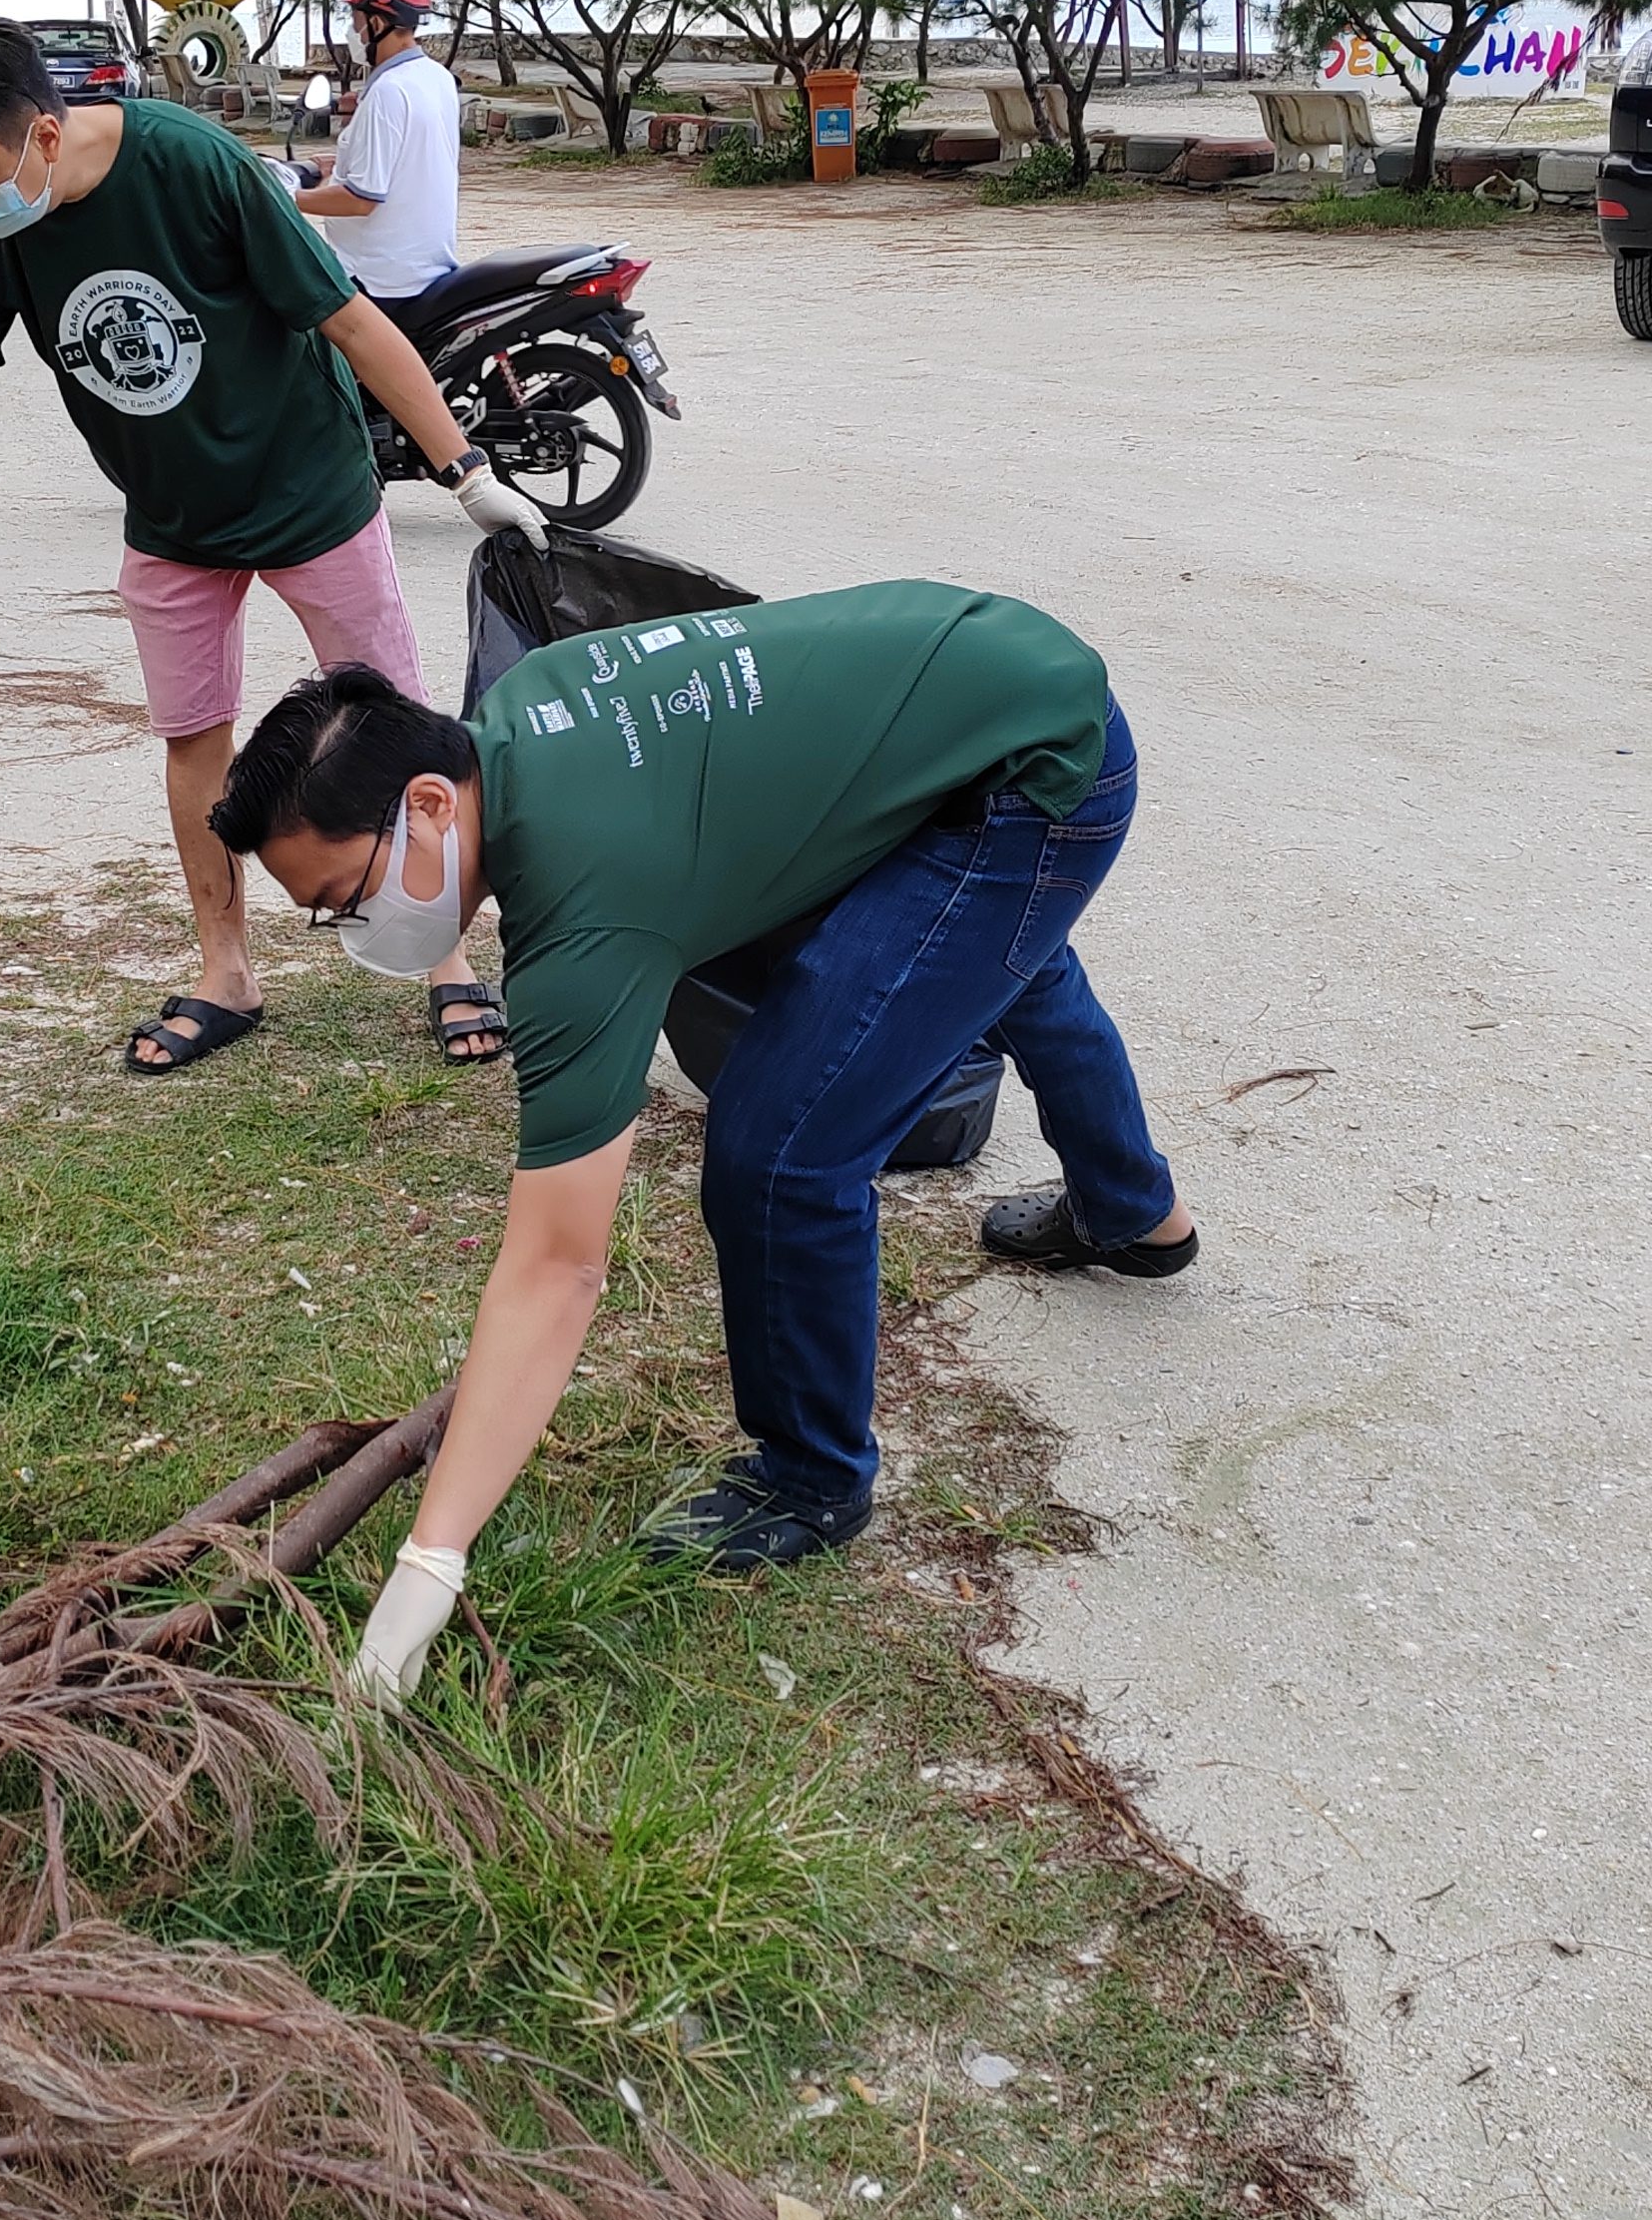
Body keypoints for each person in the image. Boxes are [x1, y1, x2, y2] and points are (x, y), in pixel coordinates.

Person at [211, 583, 1197, 1703]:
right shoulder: (522, 710)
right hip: (985, 679)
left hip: (1034, 773)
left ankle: (810, 1477)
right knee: (995, 950)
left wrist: (430, 1561)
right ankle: (1135, 1211)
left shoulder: (586, 913)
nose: (352, 928)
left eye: (345, 897)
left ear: (430, 803)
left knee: (781, 1153)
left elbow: (556, 1268)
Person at [0, 11, 553, 1075]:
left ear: (44, 134)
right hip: (173, 520)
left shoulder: (192, 163)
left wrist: (466, 474)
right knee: (194, 739)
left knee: (396, 723)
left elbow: (350, 319)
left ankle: (445, 958)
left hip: (311, 490)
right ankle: (227, 970)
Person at [282, 0, 462, 303]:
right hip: (425, 265)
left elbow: (361, 200)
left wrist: (286, 198)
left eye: (356, 22)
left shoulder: (388, 91)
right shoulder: (436, 76)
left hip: (377, 278)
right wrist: (340, 167)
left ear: (377, 23)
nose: (355, 33)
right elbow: (410, 160)